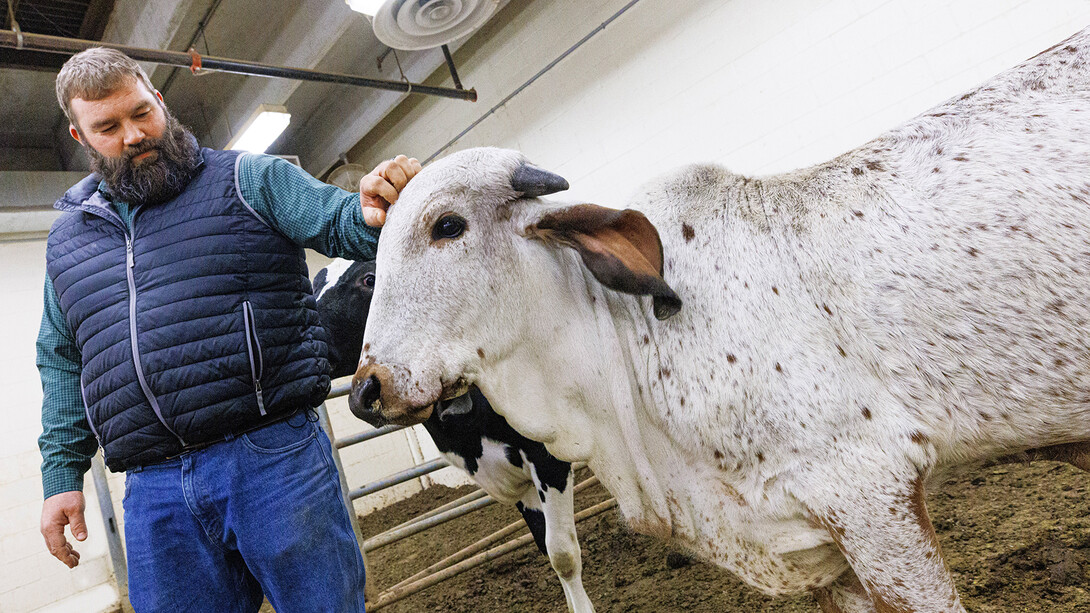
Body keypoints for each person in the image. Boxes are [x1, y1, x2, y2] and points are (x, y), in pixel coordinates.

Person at [37, 47, 415, 612]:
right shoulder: (68, 241)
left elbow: (341, 223)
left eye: (142, 112)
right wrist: (61, 475)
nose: (135, 134)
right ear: (80, 135)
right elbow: (64, 358)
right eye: (109, 126)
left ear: (159, 100)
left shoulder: (248, 179)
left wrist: (377, 208)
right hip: (152, 488)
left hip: (271, 458)